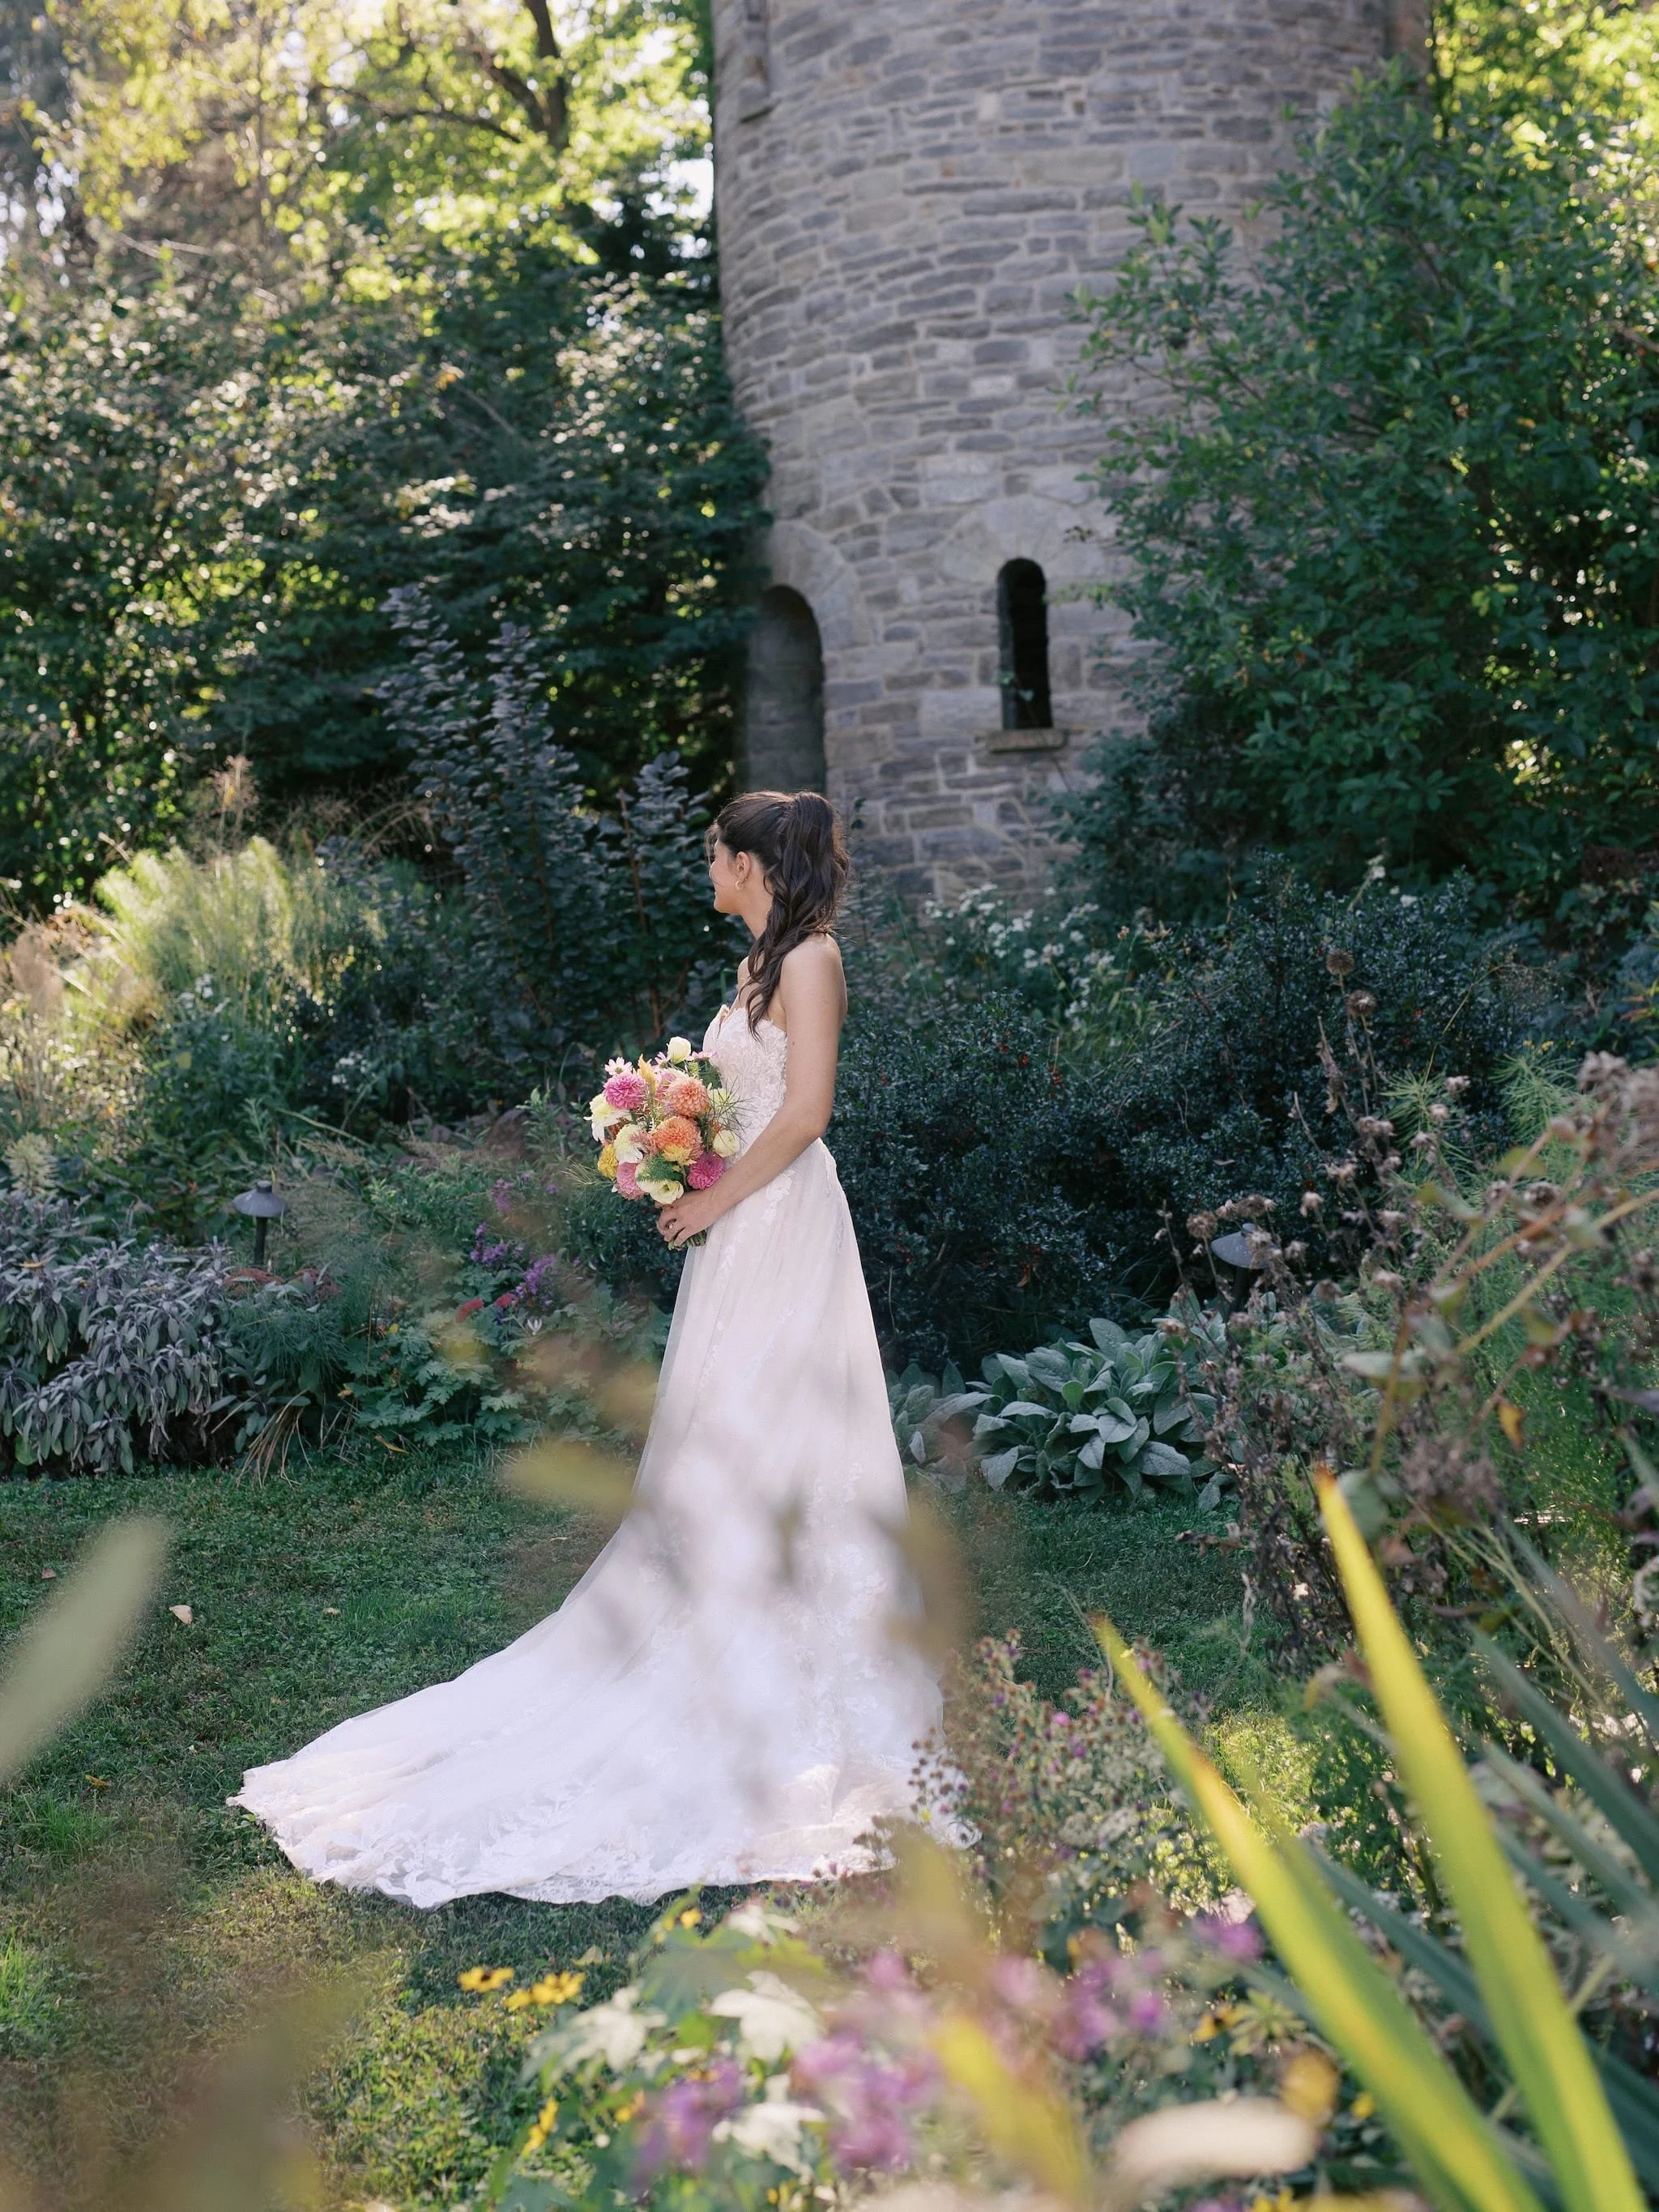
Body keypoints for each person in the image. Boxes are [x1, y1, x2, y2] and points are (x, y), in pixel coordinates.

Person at [231, 790, 942, 1906]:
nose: (707, 864)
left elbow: (807, 1112)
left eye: (716, 851)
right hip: (739, 1226)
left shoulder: (812, 959)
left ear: (753, 864)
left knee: (776, 1427)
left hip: (784, 1223)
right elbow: (745, 1102)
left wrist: (713, 1198)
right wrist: (675, 1142)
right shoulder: (757, 965)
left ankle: (790, 1637)